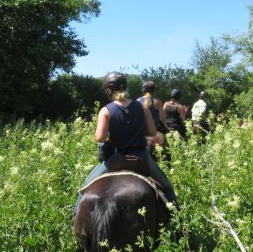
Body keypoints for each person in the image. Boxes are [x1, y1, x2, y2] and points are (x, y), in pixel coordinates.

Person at [74, 72, 177, 215]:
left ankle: (74, 218)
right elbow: (152, 133)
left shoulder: (106, 111)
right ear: (125, 88)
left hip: (115, 158)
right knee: (167, 186)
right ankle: (177, 217)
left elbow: (100, 138)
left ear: (109, 91)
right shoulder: (142, 107)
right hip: (141, 157)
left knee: (84, 188)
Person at [138, 80, 167, 149]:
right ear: (153, 90)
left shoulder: (137, 101)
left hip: (142, 130)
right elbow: (162, 118)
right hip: (155, 129)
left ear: (143, 90)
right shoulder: (157, 101)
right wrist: (166, 127)